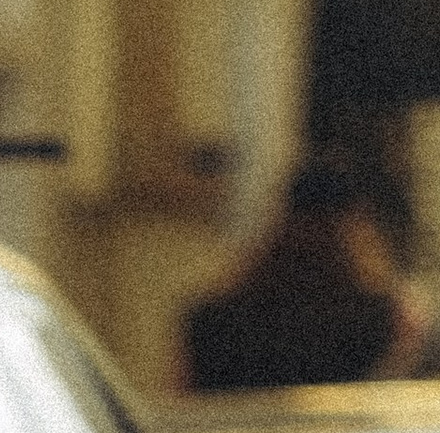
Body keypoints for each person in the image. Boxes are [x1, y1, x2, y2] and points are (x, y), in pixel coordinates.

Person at [179, 151, 426, 393]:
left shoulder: (212, 321)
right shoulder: (383, 319)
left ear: (280, 220)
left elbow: (182, 406)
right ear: (356, 226)